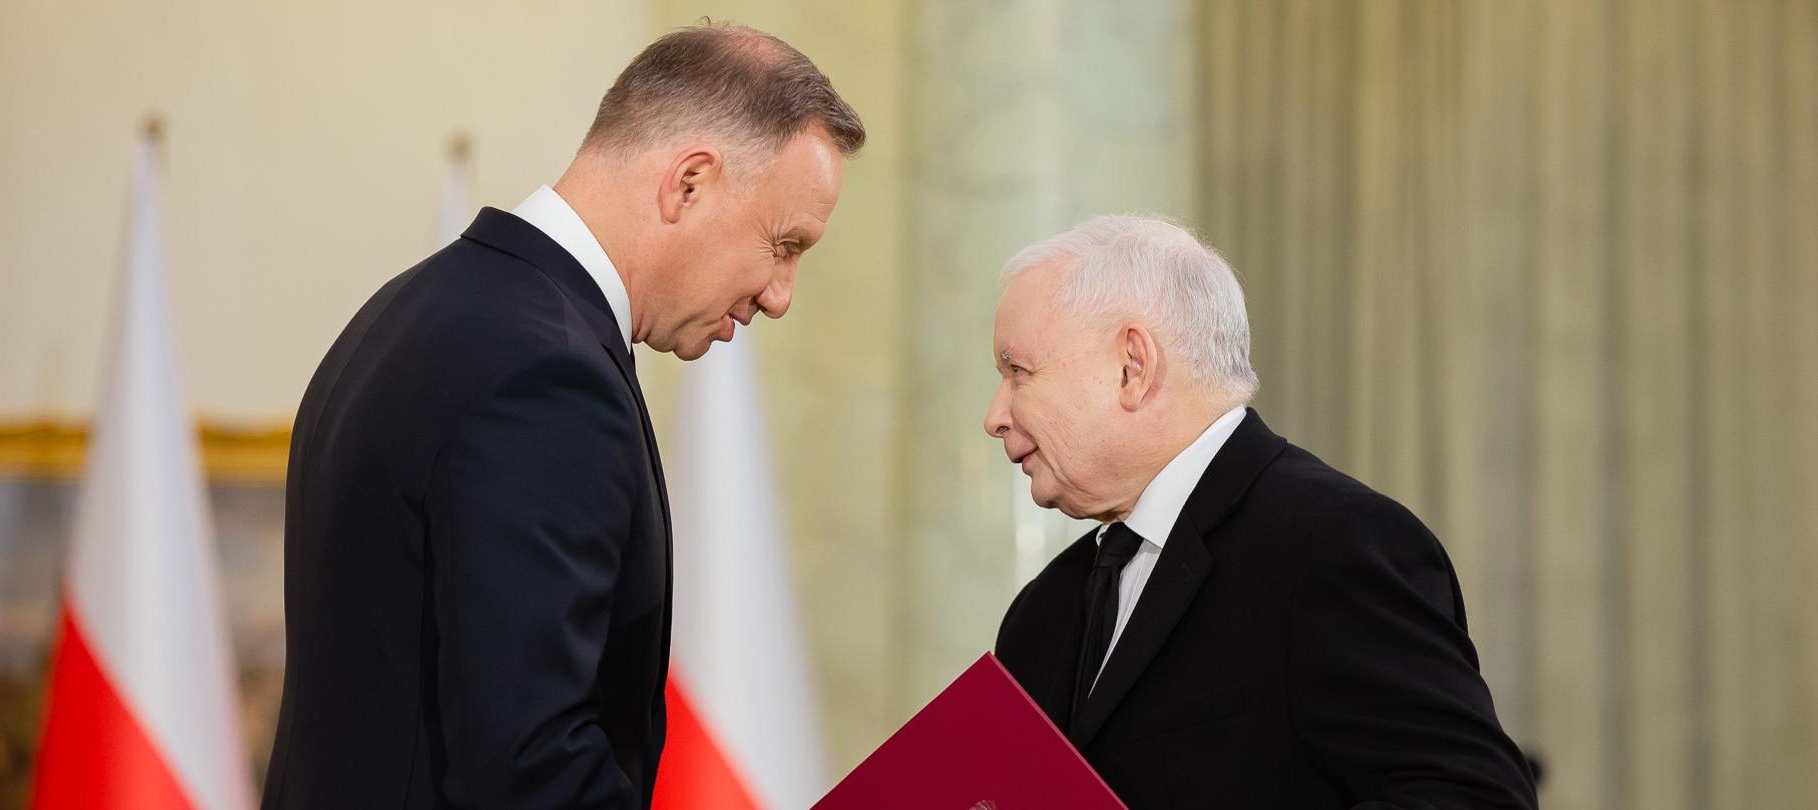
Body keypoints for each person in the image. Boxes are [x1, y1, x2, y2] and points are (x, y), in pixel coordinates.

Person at [261, 24, 863, 809]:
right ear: (689, 183)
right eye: (783, 245)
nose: (780, 296)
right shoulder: (547, 376)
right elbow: (529, 770)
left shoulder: (409, 308)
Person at [985, 216, 1537, 808]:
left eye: (1018, 373)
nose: (995, 417)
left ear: (1132, 367)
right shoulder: (1043, 609)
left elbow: (1474, 796)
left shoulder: (1333, 545)